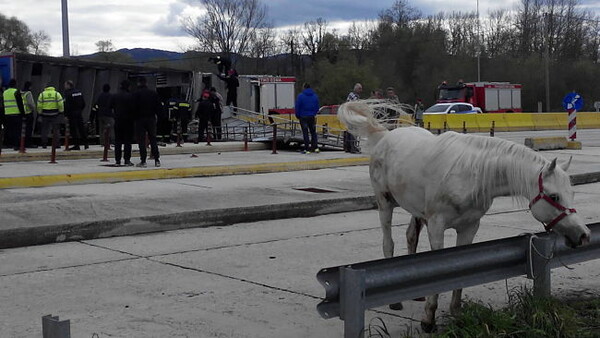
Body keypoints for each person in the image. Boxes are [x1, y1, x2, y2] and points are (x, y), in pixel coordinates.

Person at [132, 77, 162, 167]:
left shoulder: (136, 94)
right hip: (151, 118)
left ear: (138, 83)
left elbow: (133, 107)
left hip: (140, 119)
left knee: (141, 140)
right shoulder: (153, 93)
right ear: (146, 83)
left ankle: (143, 161)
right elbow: (158, 107)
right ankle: (157, 160)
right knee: (153, 139)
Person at [111, 80, 135, 166]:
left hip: (118, 121)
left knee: (118, 141)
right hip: (128, 121)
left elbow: (110, 107)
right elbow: (134, 109)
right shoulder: (131, 96)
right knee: (128, 141)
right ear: (128, 87)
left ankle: (117, 160)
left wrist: (114, 115)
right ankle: (127, 160)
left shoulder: (115, 96)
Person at [37, 82, 65, 149]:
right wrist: (61, 111)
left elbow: (39, 105)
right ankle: (57, 144)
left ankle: (44, 144)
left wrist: (40, 112)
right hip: (55, 114)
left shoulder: (42, 94)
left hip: (45, 114)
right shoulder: (56, 94)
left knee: (44, 130)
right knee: (56, 130)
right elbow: (60, 104)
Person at [295, 83, 320, 154]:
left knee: (305, 133)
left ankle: (307, 149)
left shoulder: (300, 96)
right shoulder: (315, 96)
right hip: (312, 116)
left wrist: (298, 115)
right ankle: (315, 148)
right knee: (313, 132)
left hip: (303, 117)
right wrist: (314, 113)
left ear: (304, 88)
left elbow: (297, 107)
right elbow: (317, 107)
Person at [63, 80, 88, 150]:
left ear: (68, 85)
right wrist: (80, 110)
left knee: (73, 130)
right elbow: (83, 103)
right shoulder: (79, 92)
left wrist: (66, 115)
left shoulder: (68, 93)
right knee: (81, 128)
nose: (64, 87)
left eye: (65, 85)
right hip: (79, 113)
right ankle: (86, 143)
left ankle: (76, 145)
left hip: (72, 113)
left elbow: (66, 105)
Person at [2, 79, 26, 150]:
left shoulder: (4, 92)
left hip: (7, 114)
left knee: (8, 130)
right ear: (15, 84)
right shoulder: (16, 92)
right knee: (17, 131)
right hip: (16, 114)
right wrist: (23, 114)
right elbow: (20, 104)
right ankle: (16, 145)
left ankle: (7, 144)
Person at [344, 83, 362, 153]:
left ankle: (348, 147)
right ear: (356, 89)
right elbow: (356, 106)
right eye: (360, 89)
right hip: (352, 116)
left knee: (349, 131)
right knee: (353, 132)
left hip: (348, 115)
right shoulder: (355, 96)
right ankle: (353, 148)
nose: (361, 90)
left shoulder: (350, 95)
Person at [21, 81, 37, 148]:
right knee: (29, 129)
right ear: (29, 86)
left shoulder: (21, 93)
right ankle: (28, 143)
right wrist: (34, 109)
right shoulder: (28, 93)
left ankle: (22, 143)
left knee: (23, 130)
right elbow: (30, 103)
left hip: (22, 113)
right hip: (28, 113)